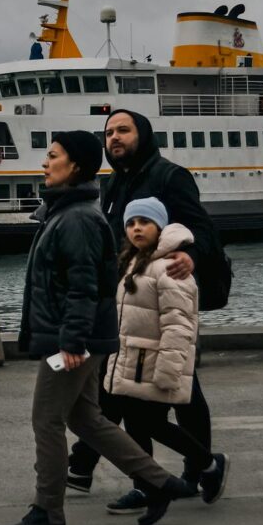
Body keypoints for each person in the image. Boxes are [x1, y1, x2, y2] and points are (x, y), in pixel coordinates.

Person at [2, 131, 190, 525]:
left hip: (72, 341)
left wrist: (71, 342)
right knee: (85, 417)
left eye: (52, 156)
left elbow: (84, 286)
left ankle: (47, 514)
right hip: (81, 337)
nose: (44, 163)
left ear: (75, 167)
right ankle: (160, 482)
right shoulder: (68, 214)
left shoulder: (77, 219)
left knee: (46, 420)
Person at [67, 108, 226, 511]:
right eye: (108, 133)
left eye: (123, 130)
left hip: (164, 299)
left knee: (182, 391)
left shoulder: (170, 176)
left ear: (144, 134)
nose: (114, 138)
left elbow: (201, 229)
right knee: (127, 392)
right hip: (128, 301)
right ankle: (153, 476)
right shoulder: (114, 183)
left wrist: (190, 254)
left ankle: (194, 467)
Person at [106, 197, 229, 509]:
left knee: (150, 425)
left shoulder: (170, 267)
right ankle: (147, 486)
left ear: (159, 226)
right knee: (136, 427)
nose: (136, 229)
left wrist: (169, 369)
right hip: (133, 361)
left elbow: (179, 324)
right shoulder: (133, 262)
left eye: (144, 222)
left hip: (156, 363)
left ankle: (208, 464)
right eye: (131, 223)